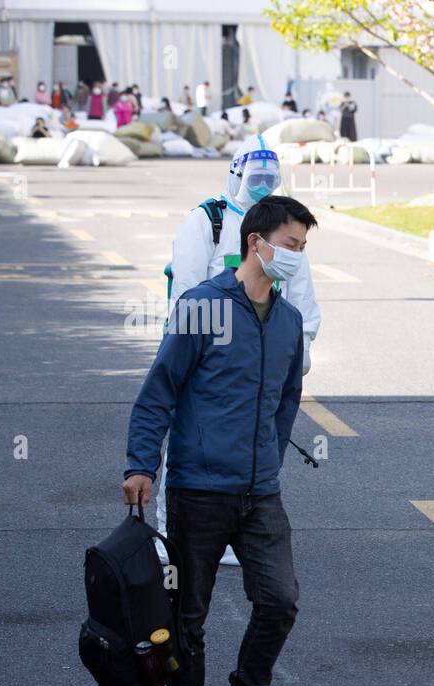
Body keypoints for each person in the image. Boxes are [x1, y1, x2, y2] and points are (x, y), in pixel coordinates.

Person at [123, 196, 315, 686]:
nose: (297, 257)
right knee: (189, 615)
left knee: (280, 601)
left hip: (260, 493)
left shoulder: (288, 321)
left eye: (303, 248)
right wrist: (141, 465)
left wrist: (268, 461)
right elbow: (159, 391)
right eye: (291, 244)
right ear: (255, 242)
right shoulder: (201, 307)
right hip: (199, 491)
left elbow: (286, 401)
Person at [158, 133, 322, 567]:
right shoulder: (208, 221)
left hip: (261, 354)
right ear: (235, 175)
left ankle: (236, 531)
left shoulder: (286, 233)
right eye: (255, 178)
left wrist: (297, 351)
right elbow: (187, 292)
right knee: (188, 440)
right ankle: (167, 531)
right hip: (205, 352)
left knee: (248, 440)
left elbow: (302, 299)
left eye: (271, 178)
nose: (263, 186)